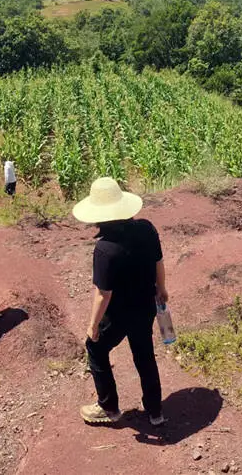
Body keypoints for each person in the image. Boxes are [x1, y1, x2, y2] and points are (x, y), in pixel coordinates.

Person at [73, 177, 167, 427]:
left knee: (95, 348)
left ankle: (108, 407)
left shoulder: (105, 249)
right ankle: (155, 411)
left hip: (118, 315)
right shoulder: (146, 228)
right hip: (145, 306)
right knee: (144, 354)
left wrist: (93, 326)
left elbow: (103, 294)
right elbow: (158, 261)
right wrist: (162, 288)